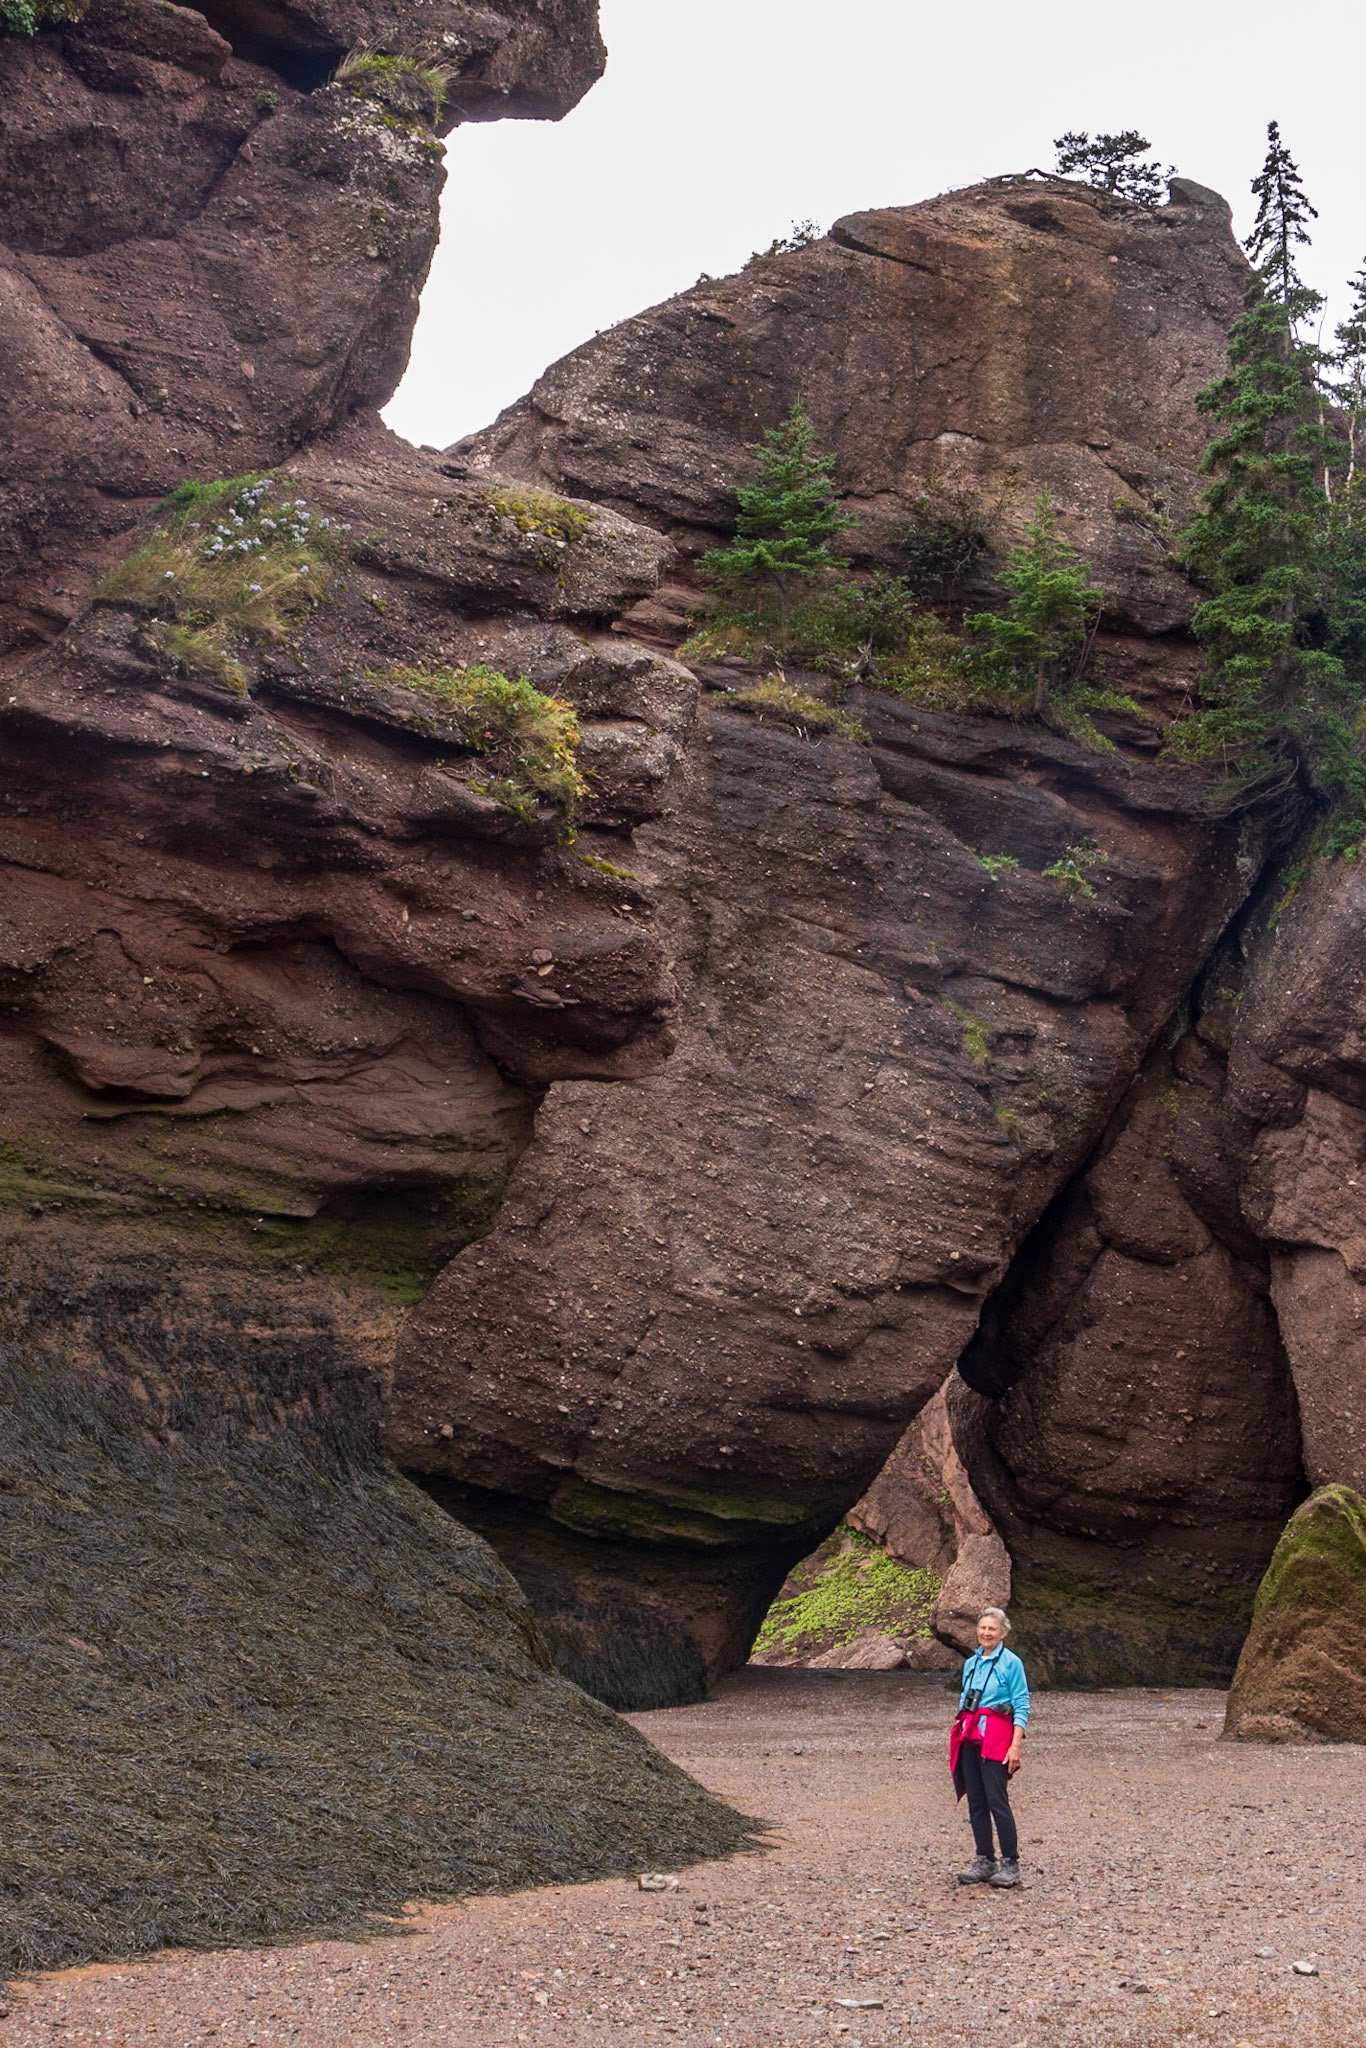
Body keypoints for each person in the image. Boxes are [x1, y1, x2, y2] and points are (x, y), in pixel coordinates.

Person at [949, 1606, 1029, 1888]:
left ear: (1003, 1632)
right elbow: (964, 1699)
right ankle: (985, 1859)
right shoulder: (971, 1663)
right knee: (976, 1801)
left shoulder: (1011, 1663)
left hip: (996, 1737)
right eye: (983, 1628)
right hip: (970, 1736)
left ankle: (1011, 1862)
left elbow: (1021, 1704)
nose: (986, 1633)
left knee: (997, 1800)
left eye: (992, 1629)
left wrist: (1015, 1745)